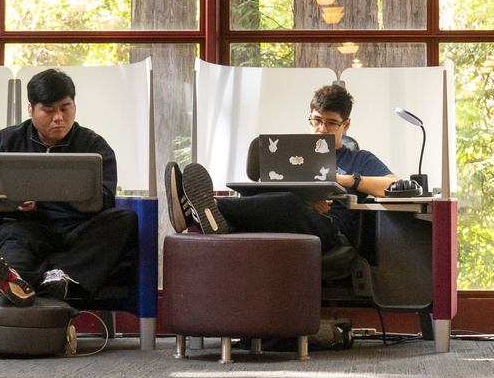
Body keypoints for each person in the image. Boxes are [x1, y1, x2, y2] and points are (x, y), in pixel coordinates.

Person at [163, 81, 396, 288]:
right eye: (317, 120)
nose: (322, 129)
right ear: (309, 115)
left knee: (290, 203)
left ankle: (203, 208)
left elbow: (394, 185)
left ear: (346, 125)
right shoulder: (291, 154)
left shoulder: (359, 159)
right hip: (282, 220)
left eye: (332, 124)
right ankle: (209, 214)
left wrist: (344, 179)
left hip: (330, 229)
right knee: (276, 202)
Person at [0, 68, 138, 305]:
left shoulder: (93, 144)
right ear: (31, 109)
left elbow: (106, 199)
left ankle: (58, 279)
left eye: (65, 108)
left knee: (125, 219)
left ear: (74, 106)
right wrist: (2, 190)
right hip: (24, 226)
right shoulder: (6, 141)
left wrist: (75, 194)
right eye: (48, 110)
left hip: (77, 227)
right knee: (12, 245)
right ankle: (17, 282)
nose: (58, 117)